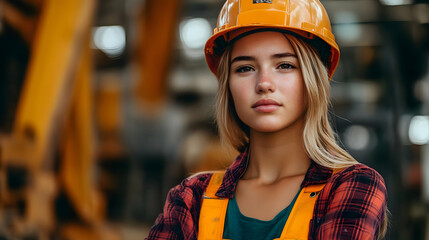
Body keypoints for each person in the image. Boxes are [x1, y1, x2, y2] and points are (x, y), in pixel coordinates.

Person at [146, 0, 388, 239]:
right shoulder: (192, 198)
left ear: (314, 78)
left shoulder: (352, 186)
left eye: (284, 65)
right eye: (245, 68)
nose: (263, 84)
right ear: (227, 86)